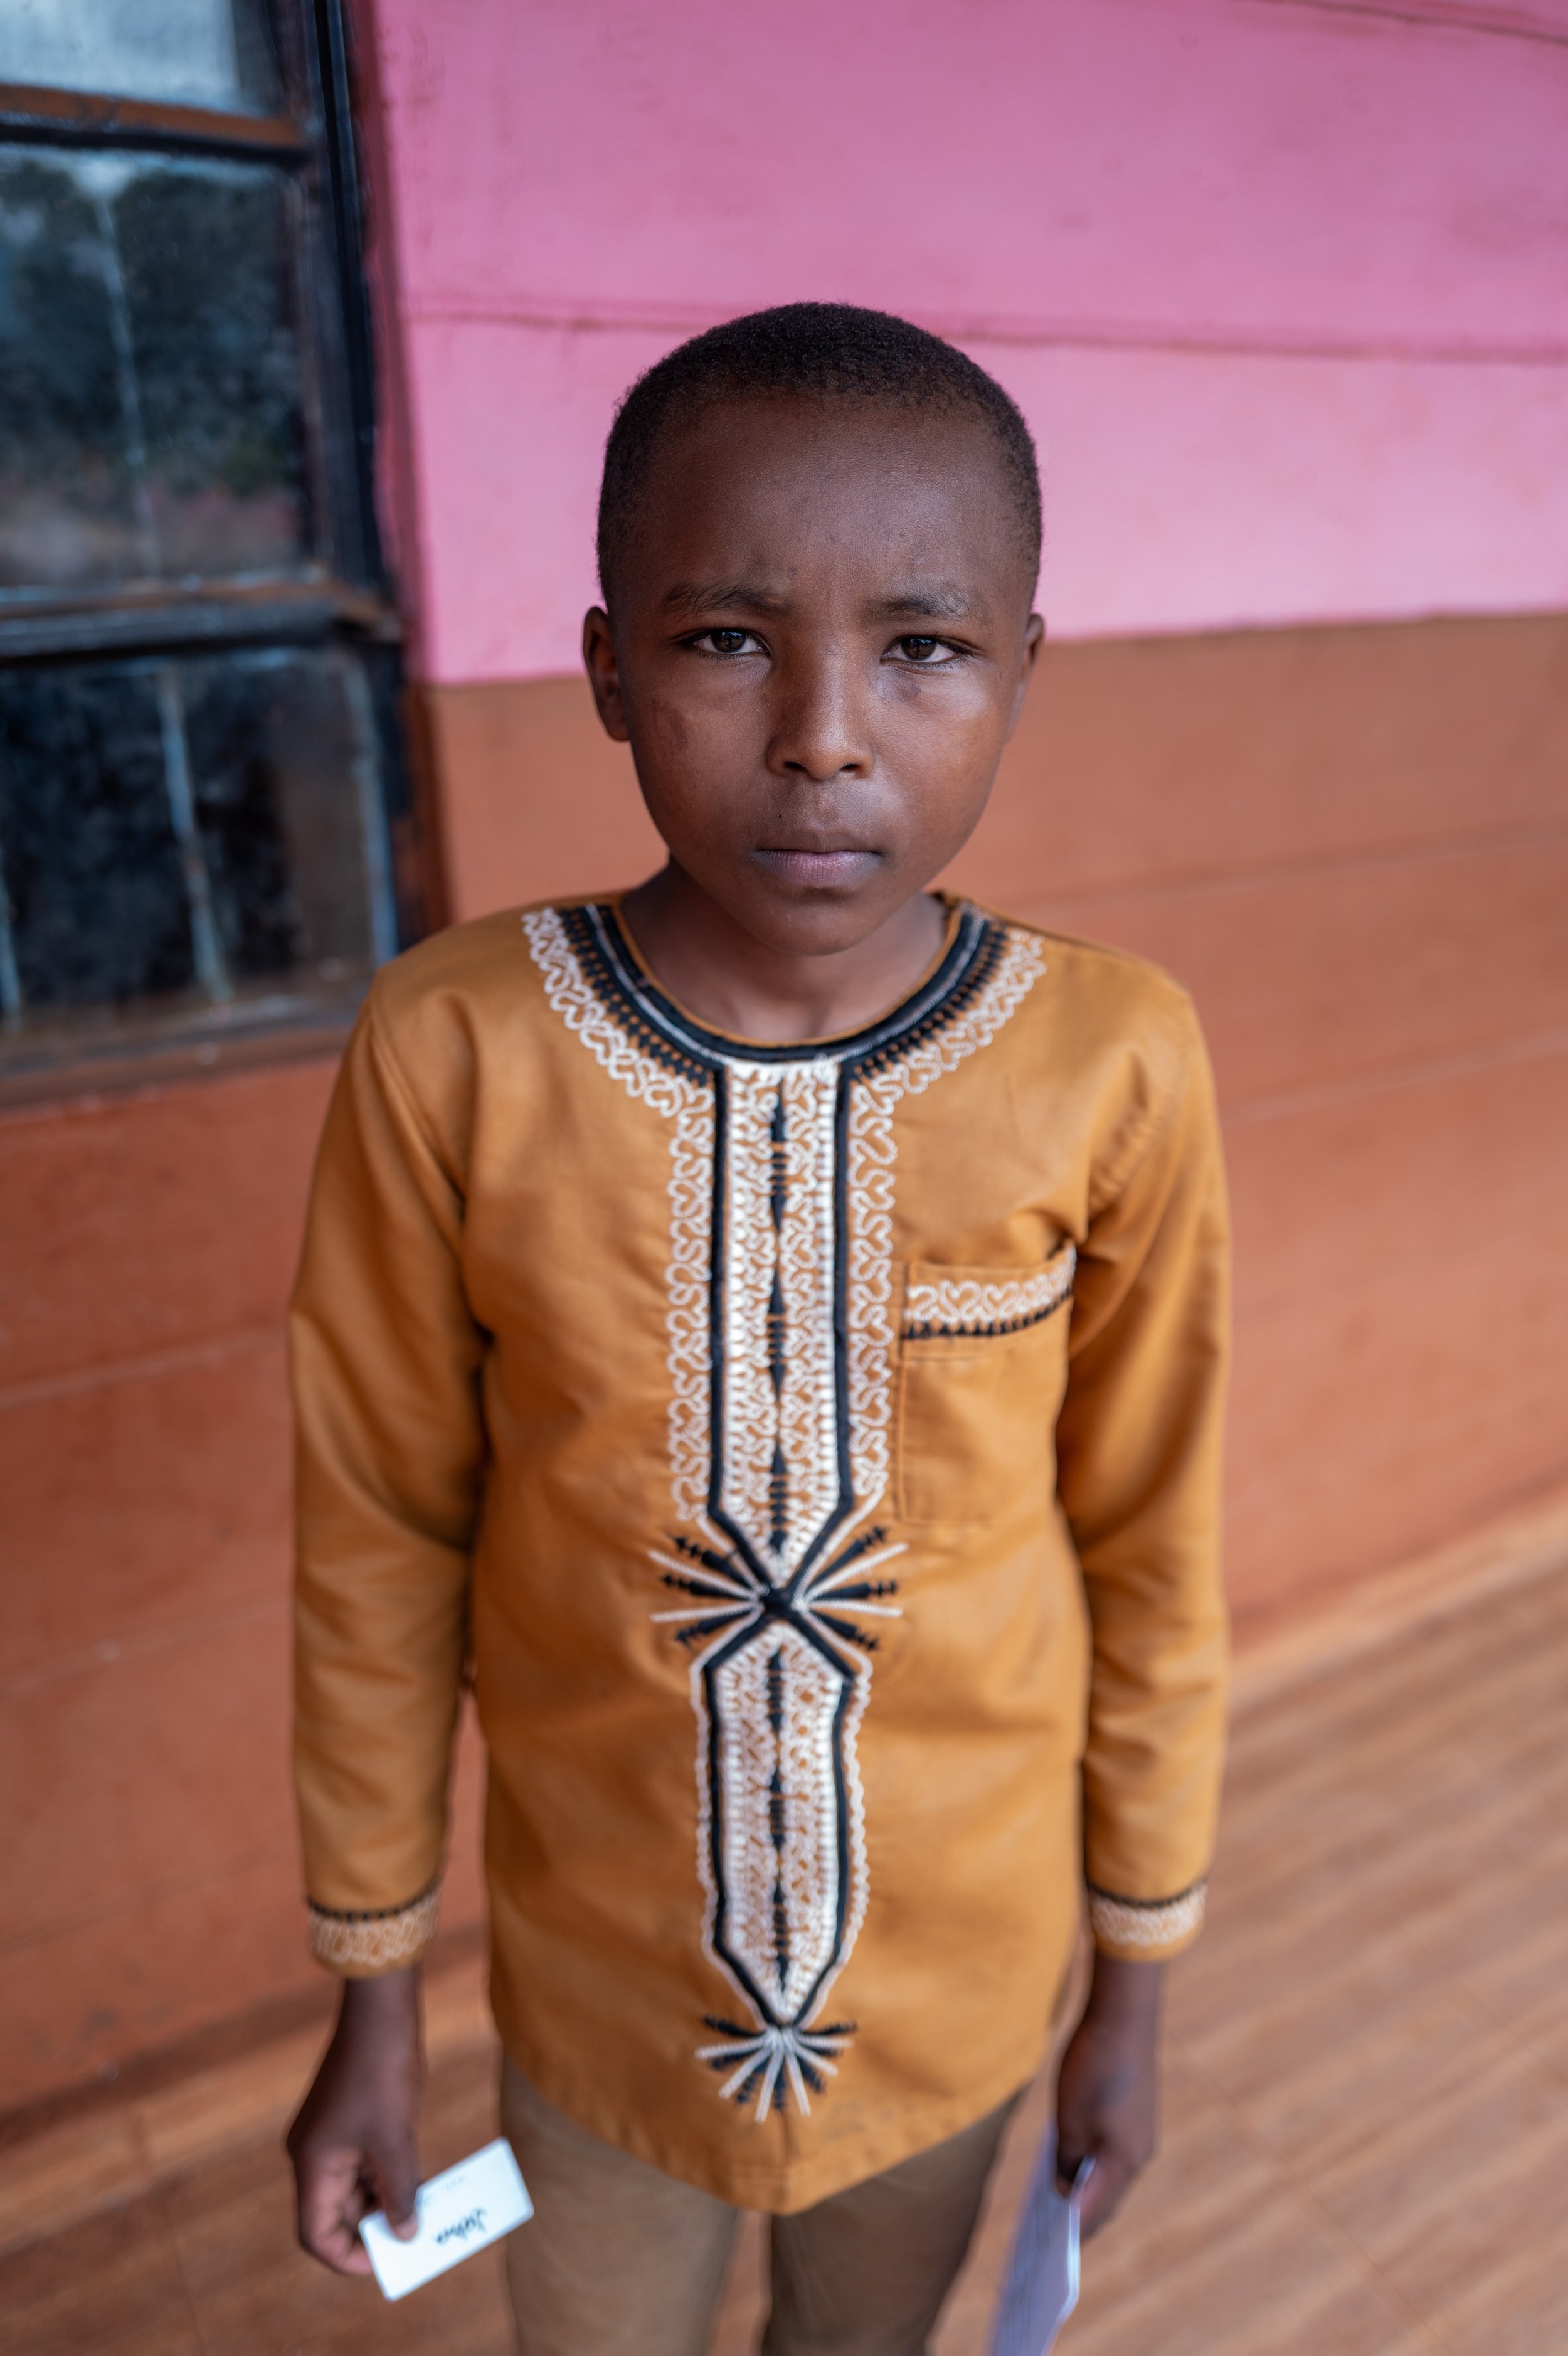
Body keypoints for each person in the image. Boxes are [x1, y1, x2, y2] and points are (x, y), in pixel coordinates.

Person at [285, 302, 1229, 2356]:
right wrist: (375, 1995)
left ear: (1020, 674)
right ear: (610, 663)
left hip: (962, 1993)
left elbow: (1151, 1547)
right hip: (597, 1993)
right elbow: (377, 1535)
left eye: (921, 645)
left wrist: (1126, 1985)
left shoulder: (1114, 1060)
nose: (822, 731)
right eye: (724, 640)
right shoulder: (455, 1045)